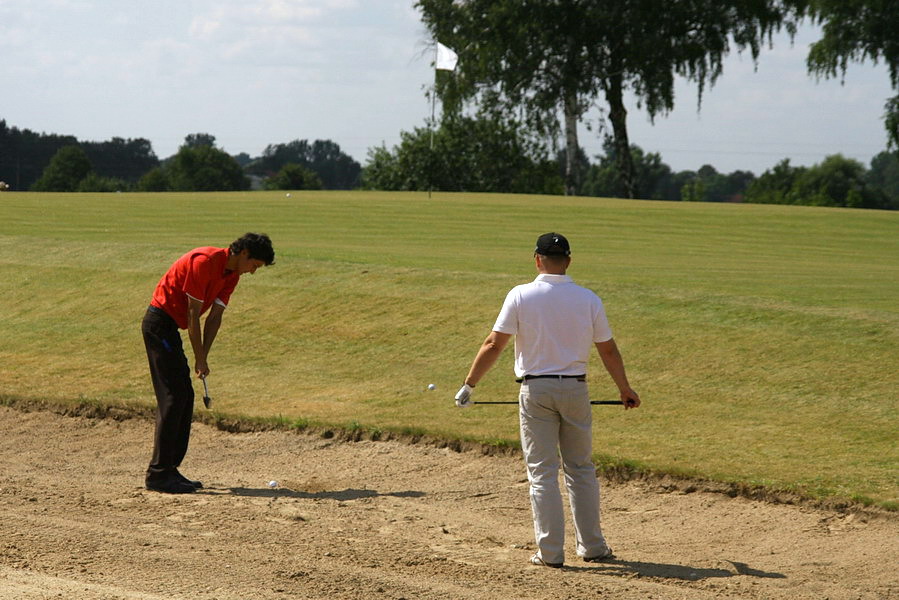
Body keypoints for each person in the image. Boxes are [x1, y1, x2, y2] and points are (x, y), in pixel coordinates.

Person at [454, 232, 640, 568]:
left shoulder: (521, 295)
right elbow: (608, 349)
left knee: (542, 472)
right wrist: (624, 389)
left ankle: (551, 553)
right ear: (568, 260)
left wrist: (469, 385)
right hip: (576, 390)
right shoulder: (588, 298)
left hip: (536, 391)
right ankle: (594, 548)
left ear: (537, 259)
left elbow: (493, 344)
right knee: (581, 469)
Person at [141, 233, 275, 494]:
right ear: (244, 253)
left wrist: (205, 357)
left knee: (185, 396)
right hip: (158, 324)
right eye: (254, 266)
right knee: (173, 397)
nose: (253, 272)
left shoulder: (231, 275)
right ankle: (158, 473)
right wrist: (199, 357)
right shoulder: (204, 261)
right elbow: (193, 315)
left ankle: (169, 469)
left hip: (170, 329)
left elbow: (214, 317)